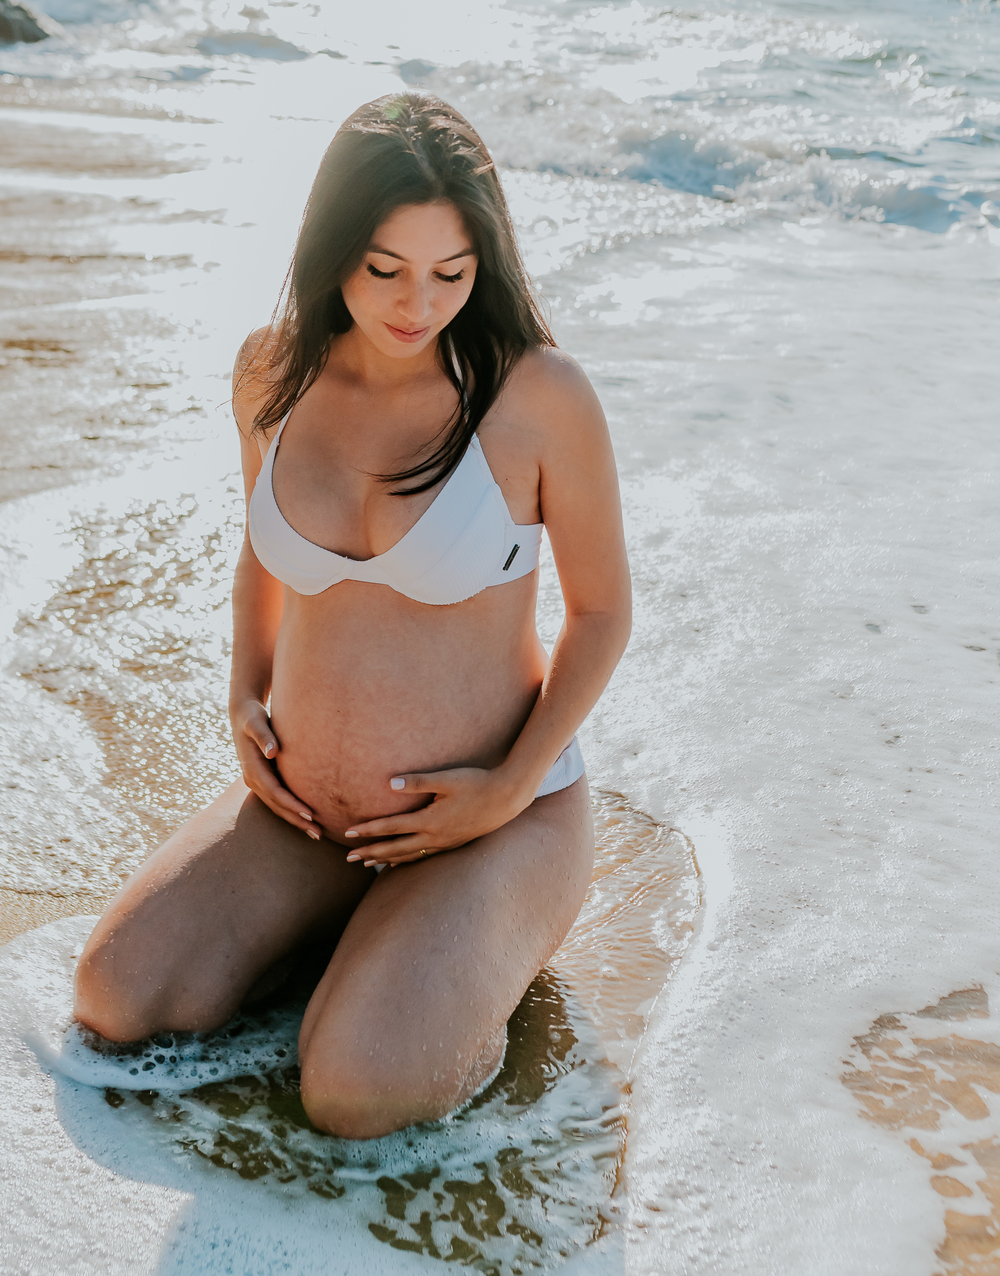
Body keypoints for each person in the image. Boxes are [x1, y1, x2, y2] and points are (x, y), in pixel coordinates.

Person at [74, 93, 631, 1140]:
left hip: (488, 824)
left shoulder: (537, 395)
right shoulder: (271, 371)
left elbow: (602, 613)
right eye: (385, 269)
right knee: (116, 1000)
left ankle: (437, 954)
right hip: (307, 818)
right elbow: (263, 550)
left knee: (353, 1094)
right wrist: (244, 695)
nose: (418, 304)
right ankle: (366, 942)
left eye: (451, 273)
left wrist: (507, 791)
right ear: (333, 250)